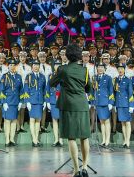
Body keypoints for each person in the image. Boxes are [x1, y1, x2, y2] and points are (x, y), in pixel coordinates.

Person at [48, 43, 91, 177]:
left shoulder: (62, 69)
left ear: (67, 56)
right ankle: (85, 167)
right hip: (82, 105)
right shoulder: (85, 70)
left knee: (71, 137)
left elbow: (51, 83)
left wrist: (57, 74)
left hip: (68, 106)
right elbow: (88, 88)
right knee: (84, 137)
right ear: (79, 56)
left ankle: (76, 170)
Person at [0, 58, 23, 147]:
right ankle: (7, 140)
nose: (12, 67)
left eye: (13, 65)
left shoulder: (18, 76)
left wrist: (21, 101)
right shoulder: (4, 76)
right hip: (8, 102)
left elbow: (21, 90)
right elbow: (1, 90)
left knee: (14, 121)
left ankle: (12, 139)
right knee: (7, 121)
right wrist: (3, 102)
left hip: (15, 102)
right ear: (8, 66)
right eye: (10, 65)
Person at [23, 59, 47, 147]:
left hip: (40, 101)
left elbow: (44, 90)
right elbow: (26, 89)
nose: (36, 67)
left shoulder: (42, 76)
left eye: (37, 65)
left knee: (38, 120)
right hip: (32, 101)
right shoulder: (28, 76)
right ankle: (34, 139)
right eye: (34, 65)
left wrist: (45, 101)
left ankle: (36, 138)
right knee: (32, 120)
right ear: (32, 67)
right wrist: (27, 102)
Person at [92, 63, 113, 148]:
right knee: (101, 122)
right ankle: (103, 140)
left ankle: (107, 140)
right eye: (99, 67)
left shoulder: (108, 78)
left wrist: (110, 102)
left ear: (104, 69)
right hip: (98, 102)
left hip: (105, 102)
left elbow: (111, 90)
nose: (100, 69)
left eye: (102, 67)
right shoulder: (94, 77)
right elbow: (92, 91)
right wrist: (93, 102)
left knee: (107, 121)